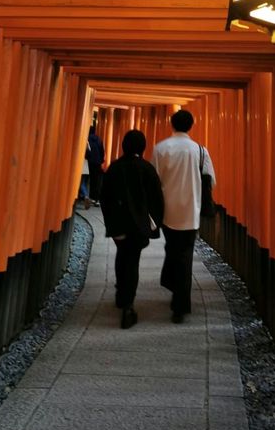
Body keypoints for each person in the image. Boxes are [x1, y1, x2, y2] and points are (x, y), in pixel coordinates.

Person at [151, 109, 216, 323]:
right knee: (185, 256)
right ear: (191, 125)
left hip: (168, 211)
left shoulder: (160, 149)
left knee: (171, 248)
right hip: (191, 211)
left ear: (172, 124)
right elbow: (210, 180)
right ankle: (180, 304)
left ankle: (172, 286)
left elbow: (154, 181)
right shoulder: (200, 150)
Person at [100, 129, 164, 329]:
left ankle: (121, 293)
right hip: (138, 226)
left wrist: (110, 223)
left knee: (122, 255)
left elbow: (105, 197)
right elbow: (157, 200)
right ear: (143, 147)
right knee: (132, 261)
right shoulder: (147, 169)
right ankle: (128, 305)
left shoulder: (114, 168)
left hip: (118, 224)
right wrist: (154, 225)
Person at [87, 126, 105, 206]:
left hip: (90, 162)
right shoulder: (99, 139)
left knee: (92, 180)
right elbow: (102, 151)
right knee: (98, 180)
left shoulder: (88, 139)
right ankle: (97, 199)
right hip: (98, 162)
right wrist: (101, 160)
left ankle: (92, 197)